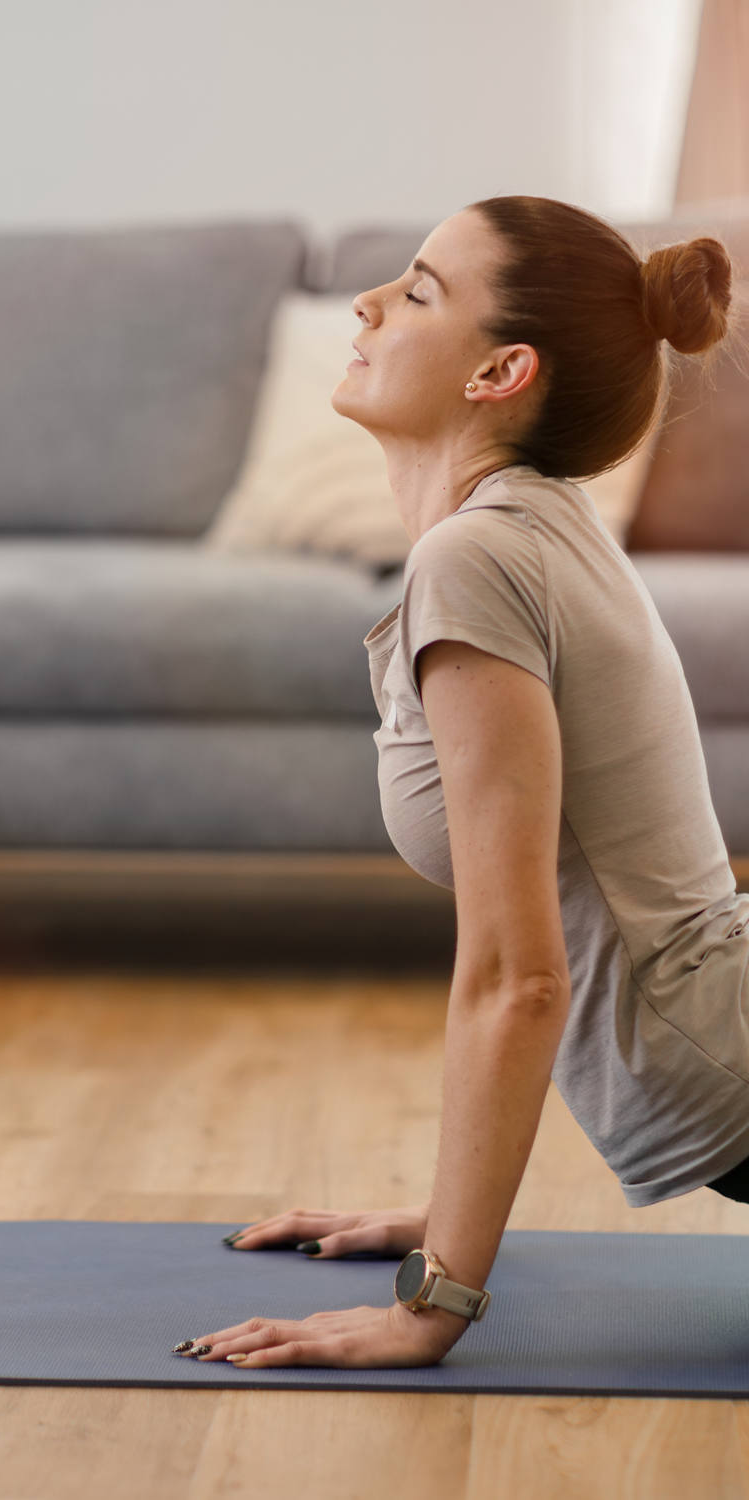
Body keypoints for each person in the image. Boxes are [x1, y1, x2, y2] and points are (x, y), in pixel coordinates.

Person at [176, 194, 749, 1371]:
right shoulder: (526, 531)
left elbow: (518, 979)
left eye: (419, 290)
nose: (369, 302)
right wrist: (448, 1225)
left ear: (501, 371)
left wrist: (430, 1300)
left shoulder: (479, 556)